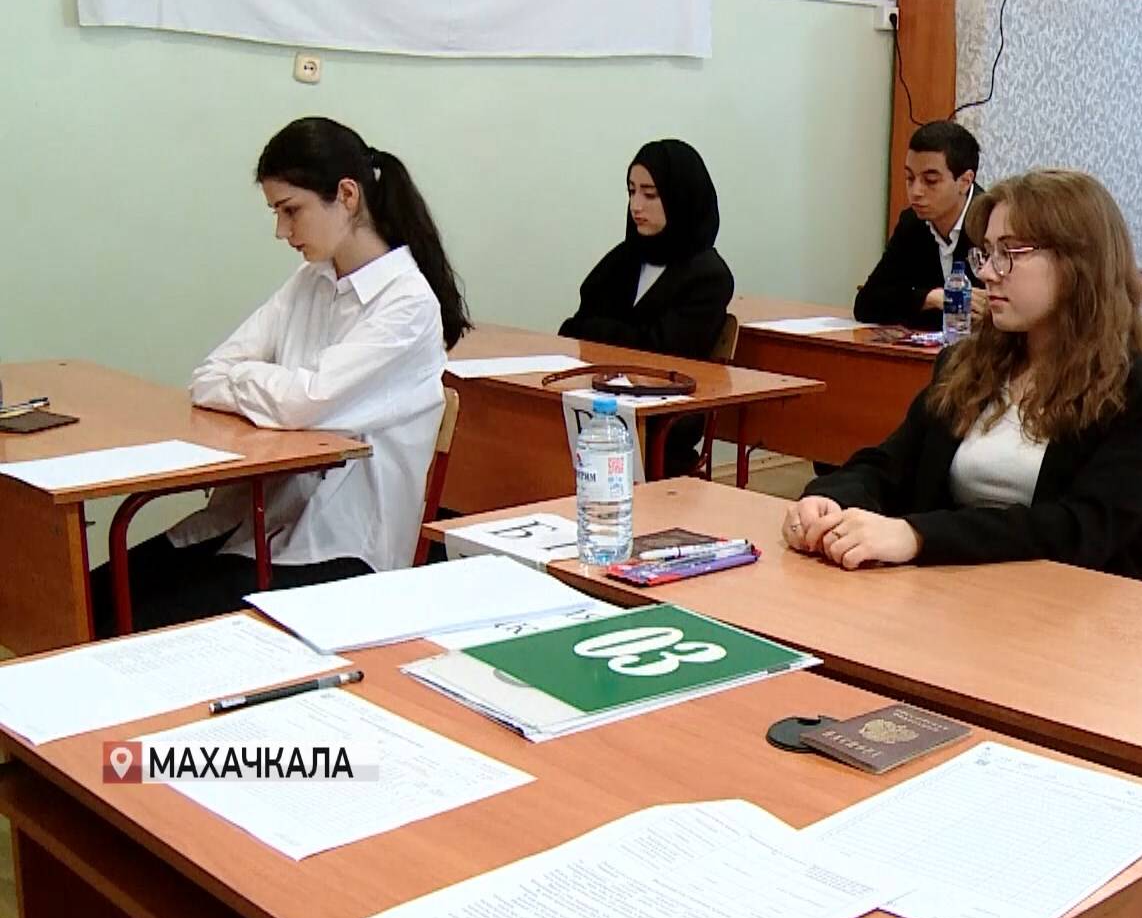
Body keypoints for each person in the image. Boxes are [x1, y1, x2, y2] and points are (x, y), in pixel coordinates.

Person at [91, 117, 470, 635]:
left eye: (291, 211)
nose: (281, 231)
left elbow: (300, 403)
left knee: (136, 623)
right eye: (276, 213)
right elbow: (209, 375)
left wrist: (265, 387)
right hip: (257, 522)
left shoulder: (406, 303)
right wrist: (278, 389)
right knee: (94, 597)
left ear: (347, 195)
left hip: (342, 547)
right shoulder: (310, 281)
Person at [782, 169, 1142, 581]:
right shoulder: (965, 364)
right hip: (949, 587)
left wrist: (919, 535)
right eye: (988, 252)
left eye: (1010, 252)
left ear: (1078, 263)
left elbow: (1080, 530)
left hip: (1065, 603)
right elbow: (890, 465)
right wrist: (829, 499)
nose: (988, 273)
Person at [559, 139, 734, 476]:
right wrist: (619, 336)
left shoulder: (708, 275)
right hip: (599, 401)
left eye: (650, 195)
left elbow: (660, 354)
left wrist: (601, 333)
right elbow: (572, 330)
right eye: (631, 191)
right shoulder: (624, 259)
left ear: (680, 197)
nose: (635, 205)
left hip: (664, 419)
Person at [853, 120, 985, 329]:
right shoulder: (912, 224)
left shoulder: (992, 224)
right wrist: (930, 298)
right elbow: (866, 303)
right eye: (909, 178)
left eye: (930, 180)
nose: (916, 192)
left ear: (965, 181)